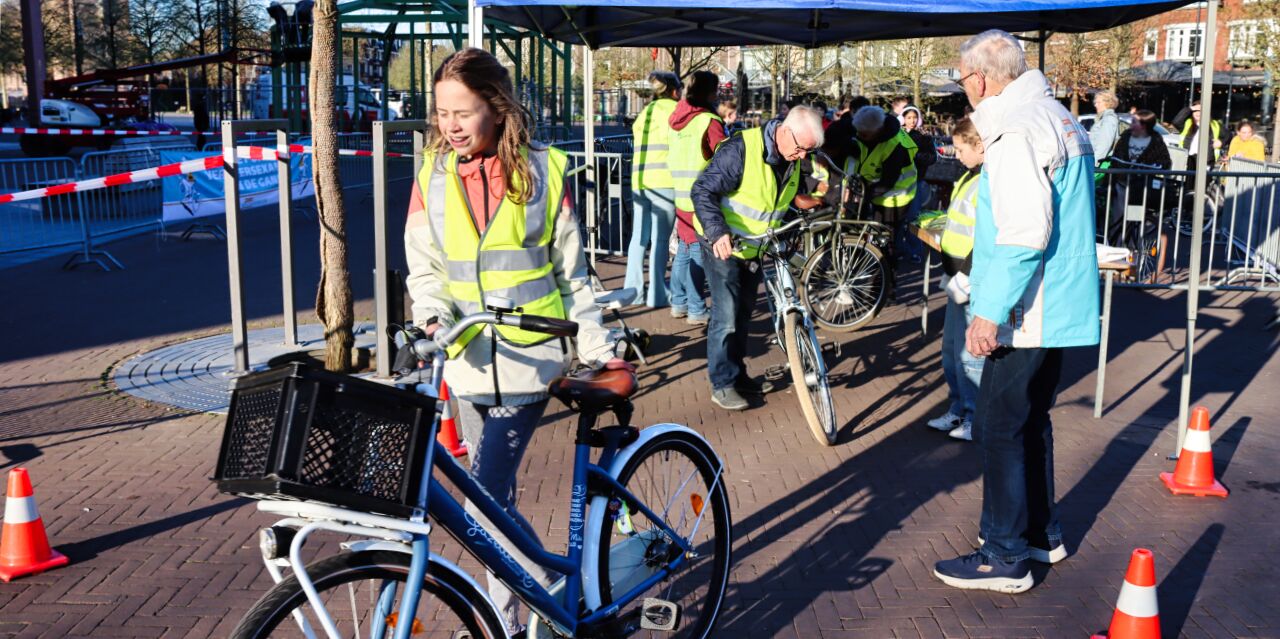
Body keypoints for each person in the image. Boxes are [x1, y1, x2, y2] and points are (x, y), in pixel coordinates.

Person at [403, 48, 628, 635]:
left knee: (483, 499)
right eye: (441, 113)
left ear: (497, 110)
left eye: (463, 112)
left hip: (531, 360)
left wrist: (599, 345)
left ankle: (546, 598)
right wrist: (430, 318)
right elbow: (425, 267)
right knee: (491, 502)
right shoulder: (432, 175)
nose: (449, 126)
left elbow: (573, 274)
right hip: (465, 360)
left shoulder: (544, 171)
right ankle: (524, 603)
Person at [934, 29, 1100, 594]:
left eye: (961, 80)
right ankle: (1039, 535)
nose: (963, 91)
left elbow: (1023, 231)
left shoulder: (1013, 129)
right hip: (1055, 303)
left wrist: (990, 312)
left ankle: (1003, 556)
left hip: (1025, 307)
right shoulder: (1058, 118)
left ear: (980, 78)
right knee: (1032, 423)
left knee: (1000, 428)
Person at [691, 106, 825, 411]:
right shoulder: (742, 148)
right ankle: (722, 383)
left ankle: (738, 376)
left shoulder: (792, 157)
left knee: (743, 313)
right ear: (785, 133)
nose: (804, 156)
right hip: (723, 244)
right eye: (802, 148)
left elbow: (780, 200)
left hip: (755, 247)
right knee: (726, 314)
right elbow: (702, 191)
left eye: (809, 150)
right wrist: (718, 232)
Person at [925, 117, 984, 443]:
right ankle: (959, 407)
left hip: (969, 276)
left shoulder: (988, 181)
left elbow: (987, 234)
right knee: (951, 349)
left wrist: (967, 273)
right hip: (956, 274)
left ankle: (975, 416)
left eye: (961, 148)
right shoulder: (969, 176)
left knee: (969, 354)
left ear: (980, 146)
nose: (956, 154)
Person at [669, 70, 729, 324]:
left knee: (684, 249)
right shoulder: (708, 121)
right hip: (702, 196)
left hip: (681, 192)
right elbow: (726, 155)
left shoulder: (678, 119)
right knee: (698, 254)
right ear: (710, 92)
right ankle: (695, 308)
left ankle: (679, 302)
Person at [624, 71, 682, 307]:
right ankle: (657, 292)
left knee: (639, 236)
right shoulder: (675, 112)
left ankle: (633, 289)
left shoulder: (645, 113)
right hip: (663, 182)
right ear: (674, 90)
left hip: (639, 181)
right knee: (660, 239)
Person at [850, 105, 918, 279]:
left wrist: (863, 194)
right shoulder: (867, 133)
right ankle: (875, 274)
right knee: (873, 235)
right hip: (876, 191)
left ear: (877, 131)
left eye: (865, 134)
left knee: (887, 240)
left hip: (897, 197)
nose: (860, 137)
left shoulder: (895, 145)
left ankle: (887, 281)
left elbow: (888, 181)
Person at [901, 105, 938, 262]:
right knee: (900, 218)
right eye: (909, 117)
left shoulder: (924, 136)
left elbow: (932, 157)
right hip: (898, 182)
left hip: (916, 181)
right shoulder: (898, 134)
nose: (912, 121)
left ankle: (915, 250)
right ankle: (900, 249)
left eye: (914, 117)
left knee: (913, 217)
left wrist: (916, 156)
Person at [1172, 100, 1223, 166]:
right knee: (1189, 175)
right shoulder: (1187, 123)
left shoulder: (1214, 125)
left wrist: (1221, 142)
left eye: (1200, 111)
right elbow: (1176, 122)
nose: (1198, 113)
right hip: (1188, 158)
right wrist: (1190, 108)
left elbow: (1228, 136)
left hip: (1206, 160)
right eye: (1195, 111)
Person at [1089, 91, 1122, 165]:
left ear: (1107, 103)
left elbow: (1104, 145)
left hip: (1099, 164)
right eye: (1095, 102)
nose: (1095, 105)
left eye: (1098, 102)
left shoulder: (1109, 119)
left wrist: (1093, 164)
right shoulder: (1103, 118)